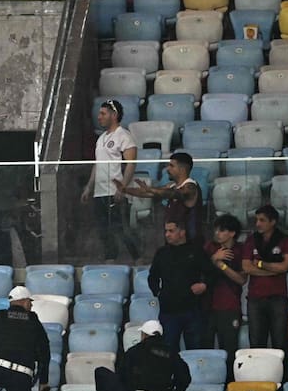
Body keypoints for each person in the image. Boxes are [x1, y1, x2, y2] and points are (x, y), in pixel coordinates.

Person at [82, 99, 140, 262]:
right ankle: (110, 259)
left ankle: (138, 258)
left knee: (121, 228)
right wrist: (89, 187)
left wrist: (122, 188)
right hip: (100, 191)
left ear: (114, 115)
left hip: (116, 191)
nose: (99, 117)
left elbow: (130, 164)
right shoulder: (101, 139)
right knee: (104, 229)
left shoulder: (124, 136)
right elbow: (97, 164)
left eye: (103, 113)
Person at [149, 220, 215, 353]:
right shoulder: (162, 253)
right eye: (166, 231)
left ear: (182, 232)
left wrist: (204, 285)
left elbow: (211, 273)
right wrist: (159, 293)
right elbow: (152, 277)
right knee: (168, 351)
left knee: (195, 350)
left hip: (192, 310)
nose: (167, 234)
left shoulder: (196, 251)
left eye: (171, 231)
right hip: (169, 311)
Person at [116, 151, 204, 247]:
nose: (167, 169)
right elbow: (147, 193)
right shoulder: (172, 186)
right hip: (173, 241)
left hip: (189, 242)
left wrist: (149, 188)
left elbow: (173, 194)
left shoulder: (191, 187)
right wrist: (125, 190)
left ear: (182, 169)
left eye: (171, 166)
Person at [242, 205, 288, 358]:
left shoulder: (284, 239)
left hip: (278, 297)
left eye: (262, 220)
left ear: (273, 222)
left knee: (280, 341)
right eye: (257, 220)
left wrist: (260, 264)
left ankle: (283, 378)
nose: (258, 223)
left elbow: (284, 267)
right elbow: (246, 267)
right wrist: (272, 270)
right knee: (256, 341)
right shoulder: (251, 240)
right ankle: (259, 376)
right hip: (255, 298)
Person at [202, 214, 247, 367]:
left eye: (222, 230)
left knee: (229, 350)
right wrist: (213, 258)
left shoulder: (240, 250)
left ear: (232, 233)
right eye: (216, 230)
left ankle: (229, 385)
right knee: (205, 350)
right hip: (207, 306)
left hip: (229, 307)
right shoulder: (209, 248)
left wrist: (221, 264)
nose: (217, 234)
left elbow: (241, 279)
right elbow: (199, 270)